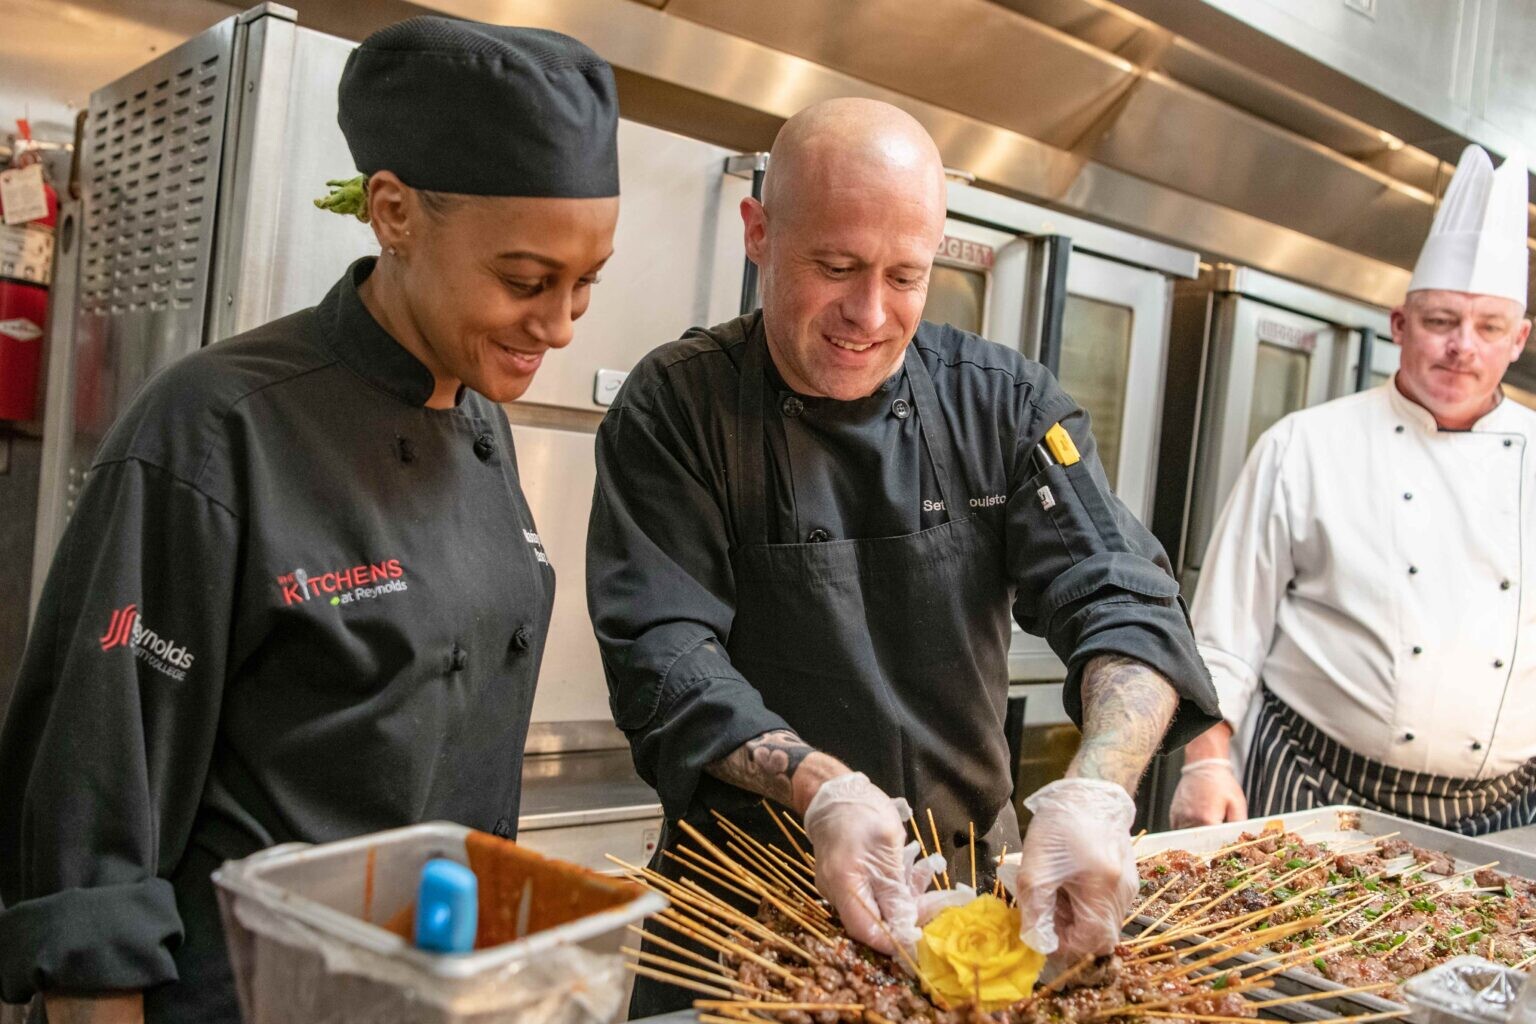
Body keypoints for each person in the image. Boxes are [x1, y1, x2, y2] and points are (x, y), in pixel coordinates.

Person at [0, 18, 619, 1023]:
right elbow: (95, 826)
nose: (557, 324)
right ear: (394, 212)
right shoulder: (213, 429)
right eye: (526, 280)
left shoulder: (484, 427)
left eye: (586, 283)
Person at [586, 97, 1221, 1017]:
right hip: (740, 904)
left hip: (970, 900)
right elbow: (664, 655)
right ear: (757, 231)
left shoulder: (1003, 403)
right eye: (834, 266)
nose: (870, 314)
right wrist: (824, 789)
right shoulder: (676, 408)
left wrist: (1098, 792)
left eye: (906, 276)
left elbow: (1123, 594)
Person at [1171, 145, 1536, 836]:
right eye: (1440, 321)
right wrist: (1206, 764)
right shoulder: (1304, 445)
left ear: (1518, 340)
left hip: (1501, 810)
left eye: (1488, 327)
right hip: (1313, 777)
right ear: (1399, 325)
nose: (1463, 346)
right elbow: (1225, 632)